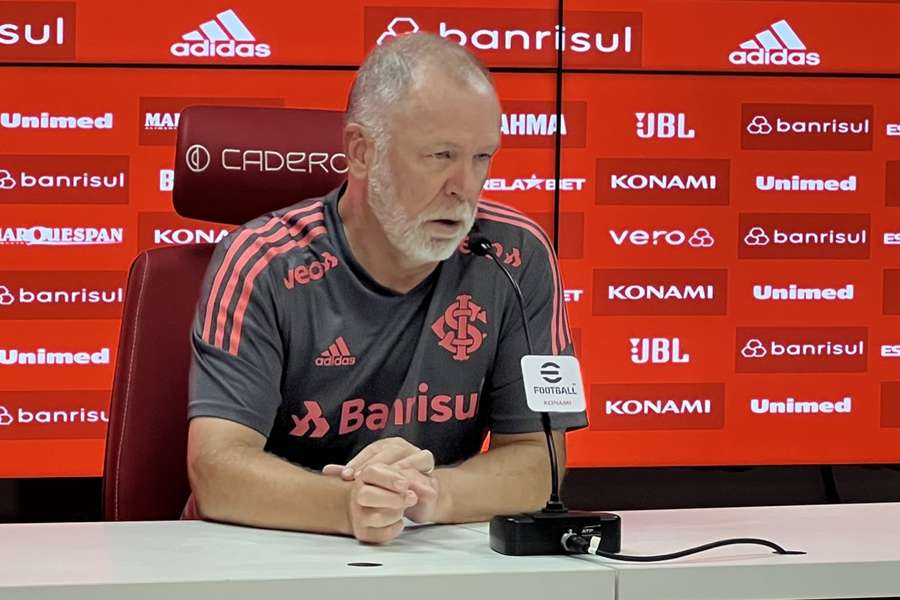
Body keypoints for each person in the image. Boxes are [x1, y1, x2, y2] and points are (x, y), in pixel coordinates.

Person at [184, 32, 586, 544]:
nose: (465, 186)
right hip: (264, 555)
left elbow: (541, 462)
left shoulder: (514, 256)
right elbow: (217, 471)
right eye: (440, 155)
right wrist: (350, 504)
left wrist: (431, 494)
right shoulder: (261, 261)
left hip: (425, 552)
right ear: (361, 152)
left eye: (482, 157)